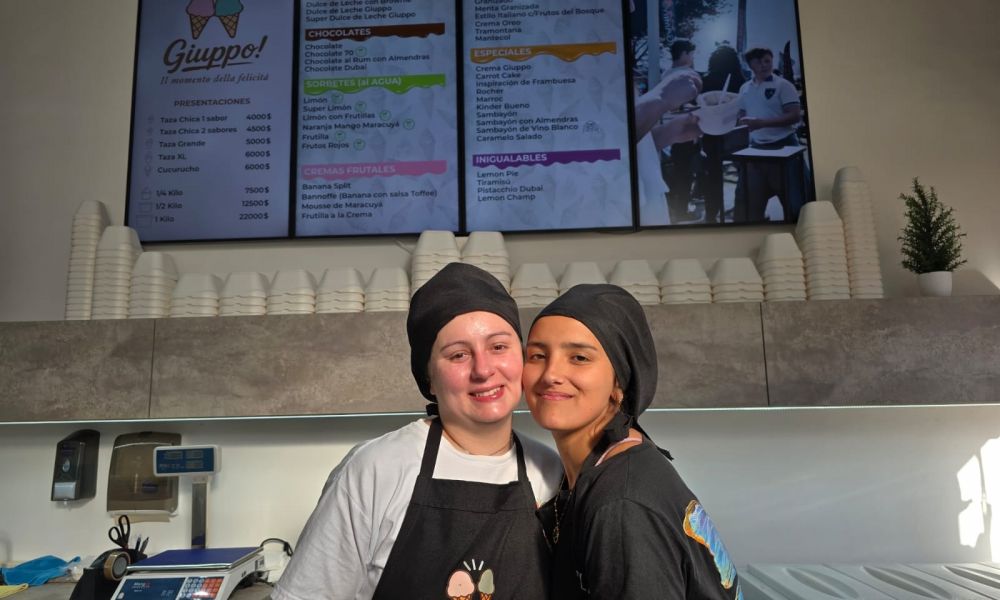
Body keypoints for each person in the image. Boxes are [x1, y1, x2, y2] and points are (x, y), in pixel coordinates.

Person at [273, 262, 562, 600]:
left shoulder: (551, 470)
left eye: (498, 347)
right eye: (458, 355)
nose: (483, 370)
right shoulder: (376, 469)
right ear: (428, 378)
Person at [523, 284, 743, 600]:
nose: (551, 373)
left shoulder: (621, 505)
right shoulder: (622, 461)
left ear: (619, 383)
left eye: (579, 357)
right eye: (538, 355)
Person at [736, 46, 809, 222]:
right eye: (758, 61)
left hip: (784, 148)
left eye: (767, 61)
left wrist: (761, 123)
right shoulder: (744, 88)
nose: (764, 65)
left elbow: (794, 115)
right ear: (749, 65)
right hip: (756, 150)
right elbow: (741, 115)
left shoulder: (784, 85)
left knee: (796, 205)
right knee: (747, 205)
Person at [700, 45, 746, 223]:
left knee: (712, 174)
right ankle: (740, 210)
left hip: (710, 133)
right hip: (734, 133)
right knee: (742, 173)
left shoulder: (706, 80)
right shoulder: (741, 81)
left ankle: (712, 212)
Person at [663, 40, 703, 224]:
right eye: (691, 54)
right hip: (686, 129)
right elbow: (688, 105)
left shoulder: (666, 74)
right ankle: (681, 211)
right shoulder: (687, 75)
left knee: (676, 171)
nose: (692, 58)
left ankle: (674, 209)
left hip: (669, 129)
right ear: (685, 53)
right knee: (685, 174)